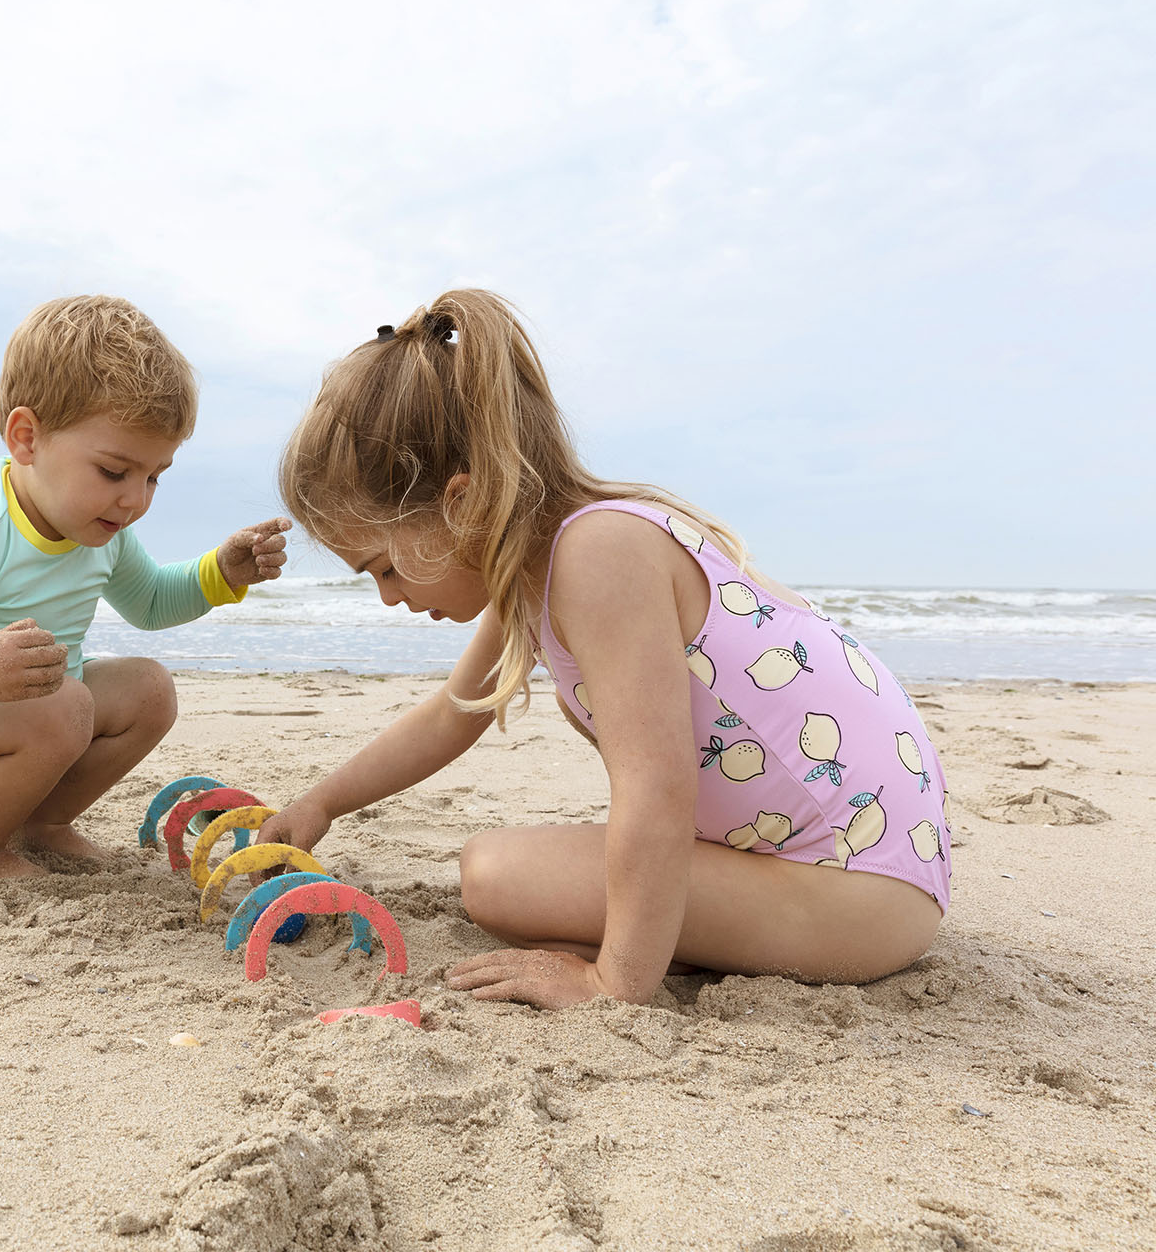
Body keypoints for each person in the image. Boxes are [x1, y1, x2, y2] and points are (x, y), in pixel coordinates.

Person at [257, 289, 948, 1009]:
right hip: (867, 870)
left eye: (384, 566)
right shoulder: (536, 567)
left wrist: (611, 982)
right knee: (505, 878)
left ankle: (639, 965)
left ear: (460, 504)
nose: (389, 597)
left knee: (493, 874)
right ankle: (685, 947)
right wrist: (320, 804)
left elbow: (658, 787)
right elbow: (449, 716)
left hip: (857, 893)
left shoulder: (596, 555)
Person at [0, 295, 288, 878]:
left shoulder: (101, 532)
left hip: (22, 729)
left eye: (154, 476)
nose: (136, 499)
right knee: (63, 700)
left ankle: (42, 824)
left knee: (149, 688)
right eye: (113, 471)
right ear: (26, 438)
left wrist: (221, 572)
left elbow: (150, 602)